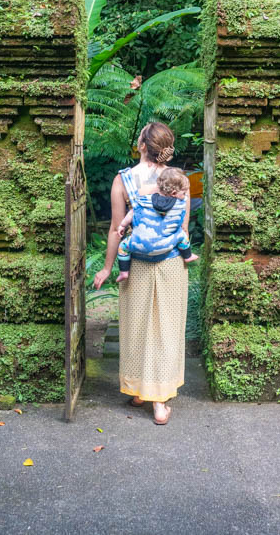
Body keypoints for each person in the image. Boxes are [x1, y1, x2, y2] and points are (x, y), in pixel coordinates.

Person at [93, 122, 190, 425]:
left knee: (135, 328)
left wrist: (109, 268)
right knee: (165, 329)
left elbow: (116, 229)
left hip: (135, 262)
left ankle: (142, 392)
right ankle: (159, 400)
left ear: (142, 146)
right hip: (172, 262)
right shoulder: (180, 181)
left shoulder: (124, 179)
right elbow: (183, 229)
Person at [115, 167, 199, 283]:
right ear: (174, 193)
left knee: (123, 247)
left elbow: (132, 213)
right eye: (184, 193)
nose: (185, 196)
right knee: (182, 236)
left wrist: (122, 226)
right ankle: (188, 256)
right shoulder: (180, 204)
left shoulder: (144, 201)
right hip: (167, 246)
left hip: (140, 245)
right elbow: (182, 225)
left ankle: (124, 272)